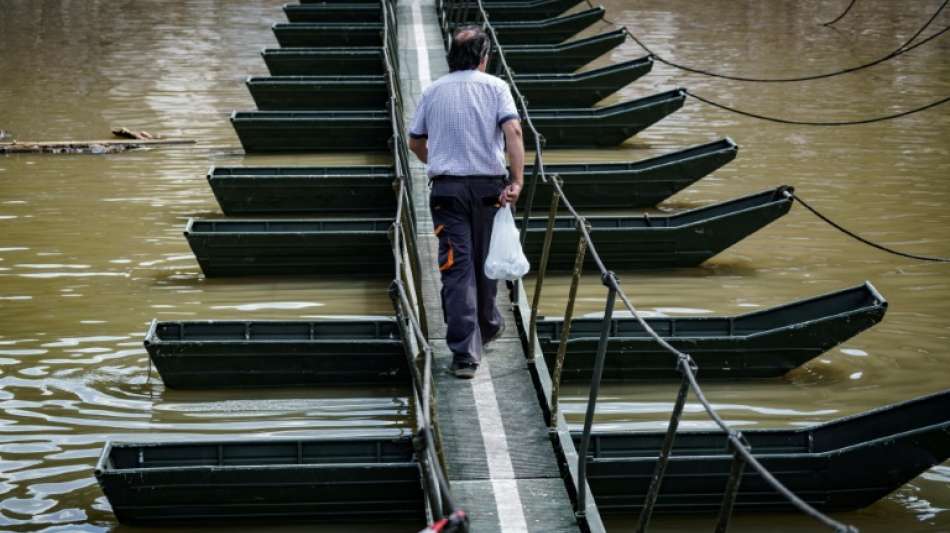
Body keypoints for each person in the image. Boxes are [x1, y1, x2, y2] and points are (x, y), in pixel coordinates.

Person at [408, 25, 525, 379]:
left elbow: (415, 142)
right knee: (486, 261)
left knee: (456, 267)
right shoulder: (497, 88)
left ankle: (464, 355)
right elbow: (514, 132)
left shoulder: (433, 91)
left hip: (448, 191)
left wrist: (441, 162)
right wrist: (517, 181)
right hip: (491, 189)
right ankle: (487, 327)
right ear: (483, 58)